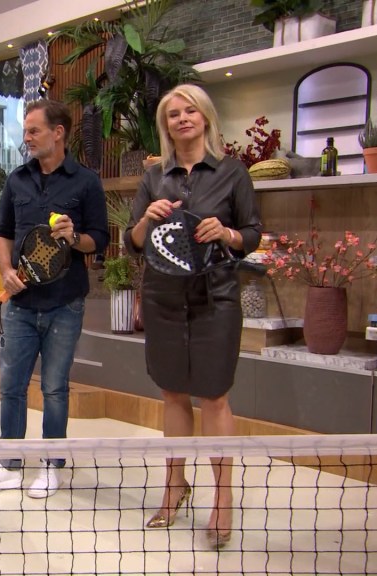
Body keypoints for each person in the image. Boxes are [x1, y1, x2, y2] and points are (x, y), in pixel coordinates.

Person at [123, 84, 261, 548]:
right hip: (163, 298)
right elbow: (133, 242)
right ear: (165, 125)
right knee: (172, 393)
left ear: (205, 118)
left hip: (215, 298)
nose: (182, 119)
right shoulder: (153, 177)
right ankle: (174, 485)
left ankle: (222, 498)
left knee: (215, 396)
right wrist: (147, 220)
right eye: (173, 114)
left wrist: (227, 232)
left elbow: (253, 234)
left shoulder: (232, 173)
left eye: (190, 111)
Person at [0, 99, 109, 498]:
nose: (27, 138)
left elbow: (99, 239)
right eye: (26, 131)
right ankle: (8, 466)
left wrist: (74, 237)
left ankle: (51, 465)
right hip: (20, 304)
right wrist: (6, 271)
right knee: (11, 386)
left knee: (54, 389)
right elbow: (2, 233)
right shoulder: (17, 180)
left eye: (33, 130)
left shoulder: (86, 182)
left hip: (66, 304)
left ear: (57, 132)